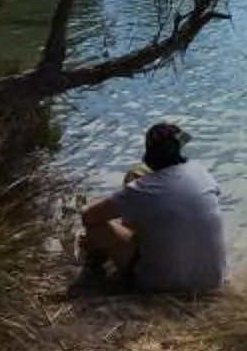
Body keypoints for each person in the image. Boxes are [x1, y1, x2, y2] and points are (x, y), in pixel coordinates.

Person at [77, 123, 226, 294]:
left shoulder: (141, 189)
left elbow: (88, 216)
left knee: (96, 226)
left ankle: (94, 269)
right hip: (212, 280)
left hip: (160, 284)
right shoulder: (201, 172)